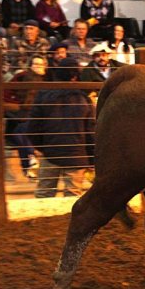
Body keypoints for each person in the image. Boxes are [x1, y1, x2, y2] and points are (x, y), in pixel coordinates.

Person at [28, 57, 94, 198]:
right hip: (76, 155)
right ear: (75, 76)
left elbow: (33, 127)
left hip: (51, 152)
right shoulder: (84, 99)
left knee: (44, 193)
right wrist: (91, 157)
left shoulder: (43, 95)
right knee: (73, 195)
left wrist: (43, 148)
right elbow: (91, 132)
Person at [3, 54, 48, 179]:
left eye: (41, 64)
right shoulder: (21, 77)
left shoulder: (48, 80)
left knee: (19, 133)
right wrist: (16, 106)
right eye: (35, 64)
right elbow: (6, 94)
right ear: (30, 65)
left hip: (41, 117)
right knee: (20, 133)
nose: (38, 67)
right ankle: (30, 161)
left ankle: (29, 161)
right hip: (22, 115)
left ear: (45, 66)